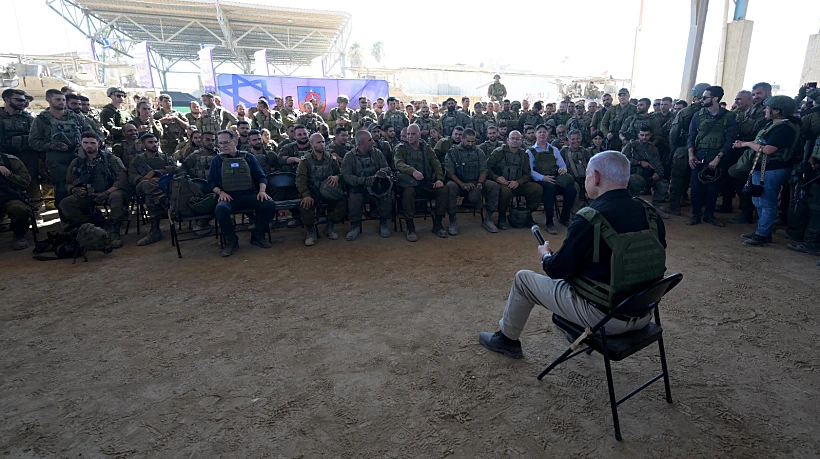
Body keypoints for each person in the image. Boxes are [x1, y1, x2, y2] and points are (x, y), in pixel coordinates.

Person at [477, 150, 667, 359]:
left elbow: (556, 270)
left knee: (523, 279)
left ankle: (507, 339)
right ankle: (573, 325)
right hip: (644, 312)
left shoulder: (590, 218)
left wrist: (546, 255)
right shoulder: (649, 212)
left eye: (586, 175)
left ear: (595, 177)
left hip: (606, 318)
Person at [732, 96, 801, 246]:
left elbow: (768, 150)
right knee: (759, 200)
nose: (765, 110)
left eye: (768, 108)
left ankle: (762, 234)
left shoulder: (783, 128)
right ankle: (762, 231)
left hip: (772, 168)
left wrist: (747, 144)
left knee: (766, 202)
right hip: (765, 168)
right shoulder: (777, 125)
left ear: (777, 111)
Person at [208, 129, 275, 256]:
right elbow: (211, 183)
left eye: (226, 142)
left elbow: (261, 177)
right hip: (229, 197)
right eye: (220, 143)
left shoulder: (248, 157)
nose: (223, 146)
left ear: (235, 141)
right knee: (221, 209)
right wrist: (220, 192)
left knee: (269, 204)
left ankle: (258, 235)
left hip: (250, 194)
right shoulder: (217, 160)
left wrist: (262, 191)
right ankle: (231, 241)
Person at [28, 89, 96, 213]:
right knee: (61, 189)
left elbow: (90, 132)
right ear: (48, 100)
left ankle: (85, 217)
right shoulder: (41, 120)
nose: (62, 102)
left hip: (78, 155)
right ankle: (65, 220)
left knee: (84, 185)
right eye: (58, 100)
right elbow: (33, 142)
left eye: (63, 100)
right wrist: (52, 145)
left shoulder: (75, 117)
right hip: (57, 159)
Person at [61, 132, 127, 247]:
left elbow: (122, 180)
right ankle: (90, 226)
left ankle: (114, 231)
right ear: (81, 143)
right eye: (85, 143)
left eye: (92, 143)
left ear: (98, 143)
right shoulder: (76, 162)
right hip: (88, 194)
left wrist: (107, 192)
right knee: (66, 203)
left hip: (110, 191)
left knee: (116, 197)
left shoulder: (111, 159)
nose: (89, 146)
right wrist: (74, 190)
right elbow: (68, 182)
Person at [686, 85, 737, 227]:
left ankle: (709, 215)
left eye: (705, 97)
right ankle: (695, 215)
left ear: (715, 98)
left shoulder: (729, 117)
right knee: (696, 187)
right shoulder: (698, 115)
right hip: (699, 154)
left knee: (713, 188)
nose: (702, 100)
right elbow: (691, 136)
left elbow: (730, 140)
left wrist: (718, 157)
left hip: (717, 155)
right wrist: (691, 154)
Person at [394, 124, 449, 241]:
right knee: (408, 193)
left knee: (443, 191)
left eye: (413, 134)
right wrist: (412, 171)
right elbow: (398, 163)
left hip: (425, 183)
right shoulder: (402, 148)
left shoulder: (426, 148)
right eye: (408, 134)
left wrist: (439, 179)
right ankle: (410, 226)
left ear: (419, 135)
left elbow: (436, 163)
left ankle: (438, 224)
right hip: (410, 183)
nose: (410, 137)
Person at [665, 83, 710, 216]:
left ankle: (674, 206)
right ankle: (698, 206)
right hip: (703, 150)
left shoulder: (686, 111)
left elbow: (674, 131)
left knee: (678, 178)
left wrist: (674, 148)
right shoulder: (711, 111)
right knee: (700, 179)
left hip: (683, 148)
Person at [444, 128, 500, 234]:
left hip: (476, 182)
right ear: (462, 139)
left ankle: (488, 218)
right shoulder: (453, 152)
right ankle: (452, 220)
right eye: (468, 141)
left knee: (493, 186)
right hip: (459, 183)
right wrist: (461, 184)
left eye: (472, 141)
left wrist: (479, 183)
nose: (470, 144)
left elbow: (484, 169)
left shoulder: (479, 152)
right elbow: (450, 172)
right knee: (450, 186)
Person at [341, 130, 393, 241]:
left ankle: (384, 223)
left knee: (386, 194)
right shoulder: (350, 156)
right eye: (370, 140)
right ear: (361, 143)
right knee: (354, 197)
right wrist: (364, 180)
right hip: (359, 188)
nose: (373, 142)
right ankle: (355, 225)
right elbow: (346, 176)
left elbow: (387, 167)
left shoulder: (377, 153)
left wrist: (382, 172)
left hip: (375, 187)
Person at [296, 133, 346, 246]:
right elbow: (300, 179)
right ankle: (311, 231)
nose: (322, 144)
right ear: (312, 144)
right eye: (318, 142)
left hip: (328, 191)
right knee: (306, 205)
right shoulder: (305, 161)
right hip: (312, 191)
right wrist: (306, 194)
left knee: (341, 201)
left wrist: (337, 177)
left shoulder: (331, 159)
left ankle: (330, 226)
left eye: (323, 141)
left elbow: (341, 173)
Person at [129, 133, 179, 246]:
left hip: (162, 186)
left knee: (150, 197)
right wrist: (147, 178)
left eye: (156, 142)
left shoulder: (165, 157)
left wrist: (158, 173)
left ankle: (155, 230)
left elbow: (176, 169)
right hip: (142, 186)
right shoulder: (137, 160)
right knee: (147, 185)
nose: (154, 144)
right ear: (143, 145)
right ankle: (166, 204)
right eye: (150, 142)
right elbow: (131, 176)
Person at [487, 130, 542, 229]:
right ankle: (502, 216)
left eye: (517, 139)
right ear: (507, 140)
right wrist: (497, 178)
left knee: (537, 189)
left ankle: (528, 215)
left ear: (521, 141)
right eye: (512, 138)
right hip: (502, 183)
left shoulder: (524, 155)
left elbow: (527, 174)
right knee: (506, 192)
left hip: (517, 183)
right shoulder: (498, 152)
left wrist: (518, 182)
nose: (515, 141)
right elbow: (487, 168)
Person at [527, 124, 575, 234]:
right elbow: (530, 171)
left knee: (571, 189)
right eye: (539, 132)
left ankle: (564, 217)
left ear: (548, 134)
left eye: (544, 132)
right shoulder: (530, 151)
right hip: (540, 181)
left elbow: (562, 165)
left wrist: (563, 170)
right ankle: (549, 221)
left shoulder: (554, 150)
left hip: (554, 178)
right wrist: (543, 178)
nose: (542, 134)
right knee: (550, 189)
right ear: (535, 134)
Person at [1, 89, 41, 203]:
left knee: (32, 182)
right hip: (6, 157)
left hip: (28, 156)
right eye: (18, 100)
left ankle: (35, 209)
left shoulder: (29, 118)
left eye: (23, 100)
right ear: (7, 99)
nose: (22, 103)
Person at [622, 126, 669, 217]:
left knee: (663, 184)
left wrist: (657, 173)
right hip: (633, 174)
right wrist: (639, 162)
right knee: (635, 182)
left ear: (651, 135)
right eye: (642, 135)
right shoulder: (631, 145)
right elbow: (622, 158)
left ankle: (655, 207)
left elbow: (657, 164)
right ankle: (632, 207)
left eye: (647, 135)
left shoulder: (653, 149)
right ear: (638, 135)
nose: (644, 137)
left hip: (647, 175)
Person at [0, 149, 34, 250]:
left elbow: (25, 182)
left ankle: (19, 235)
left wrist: (8, 174)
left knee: (19, 210)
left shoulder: (10, 161)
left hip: (9, 198)